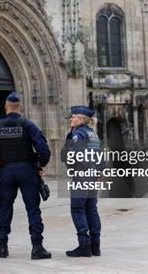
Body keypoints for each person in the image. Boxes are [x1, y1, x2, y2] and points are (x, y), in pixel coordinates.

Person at [0, 92, 52, 260]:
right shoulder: (28, 125)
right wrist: (40, 165)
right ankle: (37, 247)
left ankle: (3, 247)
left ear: (6, 108)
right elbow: (44, 150)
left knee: (5, 207)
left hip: (6, 171)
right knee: (33, 209)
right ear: (21, 107)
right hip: (27, 171)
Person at [63, 106, 103, 257]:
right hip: (92, 176)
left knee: (78, 209)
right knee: (91, 209)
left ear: (81, 119)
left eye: (73, 117)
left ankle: (84, 246)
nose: (71, 120)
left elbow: (77, 155)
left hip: (82, 175)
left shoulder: (77, 134)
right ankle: (95, 246)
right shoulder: (93, 134)